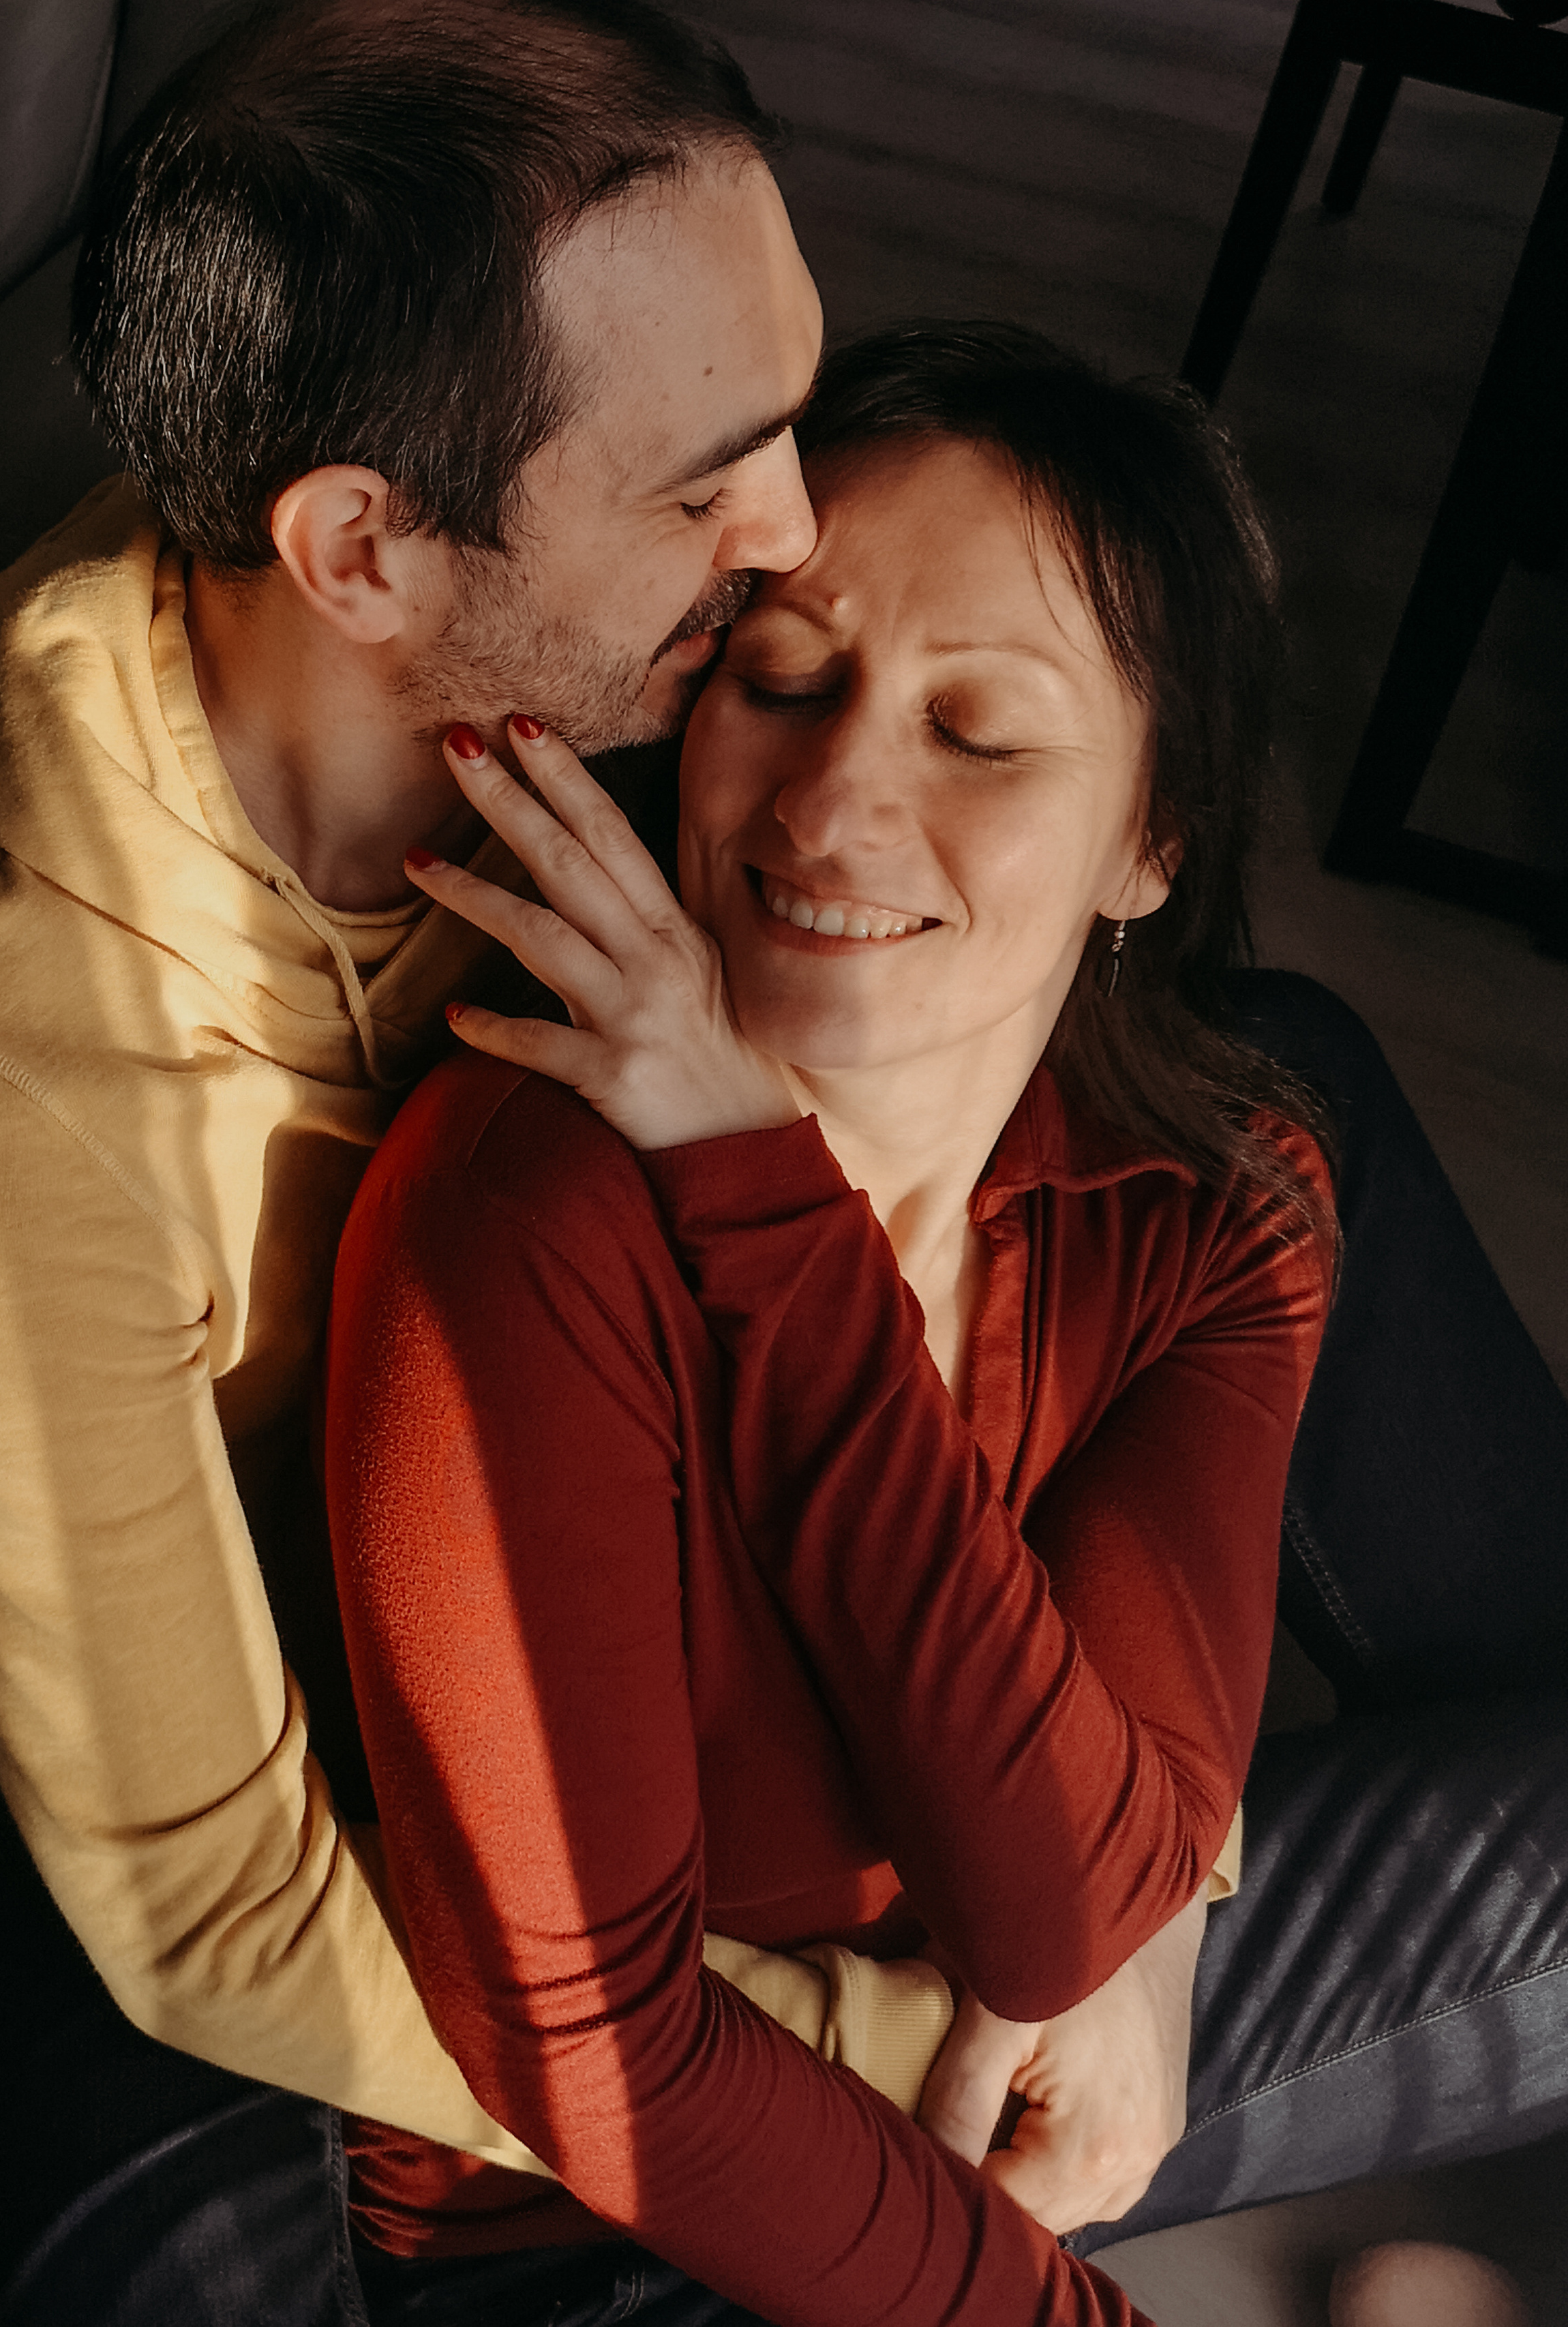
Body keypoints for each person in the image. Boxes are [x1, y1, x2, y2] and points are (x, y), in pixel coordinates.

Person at [0, 6, 964, 2320]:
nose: (799, 536)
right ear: (360, 550)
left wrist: (1130, 1904)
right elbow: (207, 1908)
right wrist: (844, 2070)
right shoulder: (6, 1056)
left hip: (543, 1573)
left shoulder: (628, 688)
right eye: (705, 476)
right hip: (176, 1772)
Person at [325, 322, 1568, 2327]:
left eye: (979, 733)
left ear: (1151, 845)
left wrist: (1145, 1963)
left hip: (1011, 2047)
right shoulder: (529, 1203)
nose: (831, 801)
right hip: (616, 2213)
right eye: (787, 681)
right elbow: (601, 2066)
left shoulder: (1218, 1195)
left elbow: (1069, 1907)